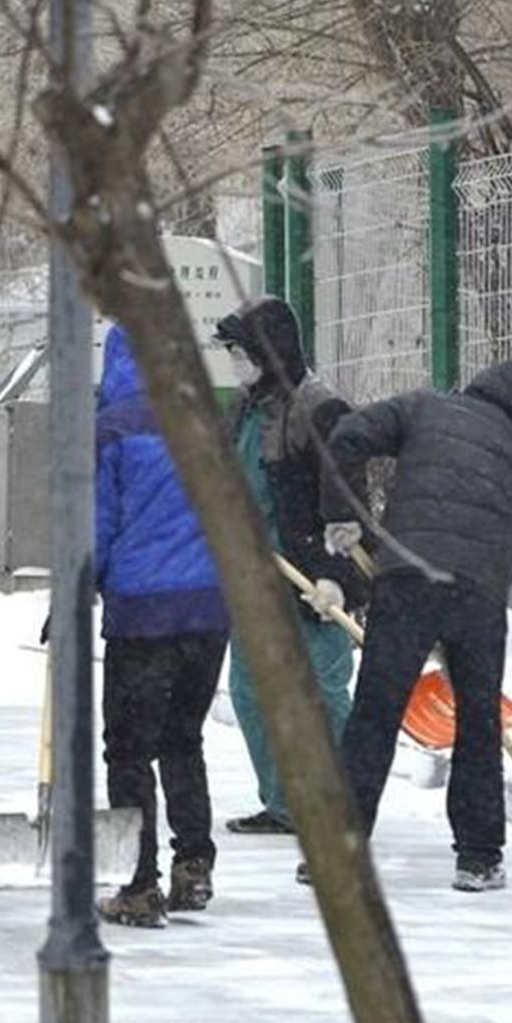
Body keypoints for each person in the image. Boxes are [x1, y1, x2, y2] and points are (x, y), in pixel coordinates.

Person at [321, 359, 512, 891]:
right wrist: (473, 611)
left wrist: (345, 513)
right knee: (478, 723)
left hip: (405, 578)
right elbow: (509, 556)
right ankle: (478, 856)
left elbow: (347, 435)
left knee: (375, 713)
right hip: (478, 594)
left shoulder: (423, 407)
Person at [91, 323, 229, 929]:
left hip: (142, 616)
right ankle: (193, 864)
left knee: (127, 750)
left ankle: (138, 884)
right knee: (182, 739)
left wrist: (74, 595)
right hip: (207, 611)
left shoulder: (113, 431)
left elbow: (97, 527)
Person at [211, 299, 361, 837]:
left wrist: (336, 576)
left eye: (239, 351)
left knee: (320, 688)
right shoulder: (244, 408)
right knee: (252, 688)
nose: (234, 362)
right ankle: (285, 803)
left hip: (309, 576)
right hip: (253, 574)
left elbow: (349, 502)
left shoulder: (319, 409)